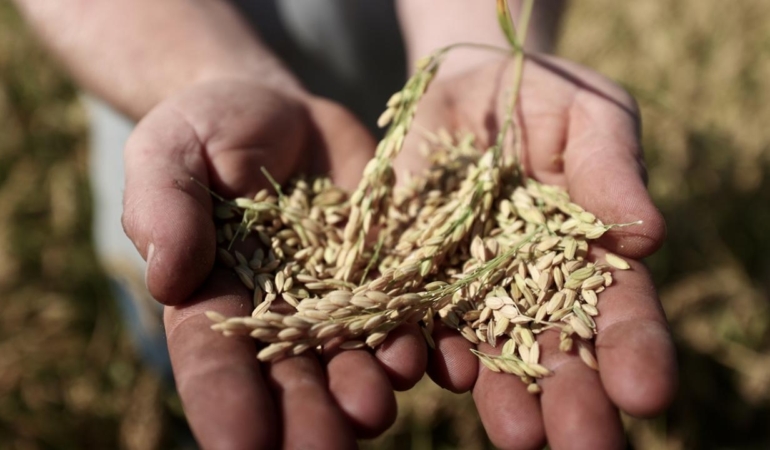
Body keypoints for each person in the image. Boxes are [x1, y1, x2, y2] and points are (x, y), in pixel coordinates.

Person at [13, 0, 677, 448]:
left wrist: (477, 56)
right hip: (208, 162)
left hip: (434, 113)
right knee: (214, 367)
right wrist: (212, 72)